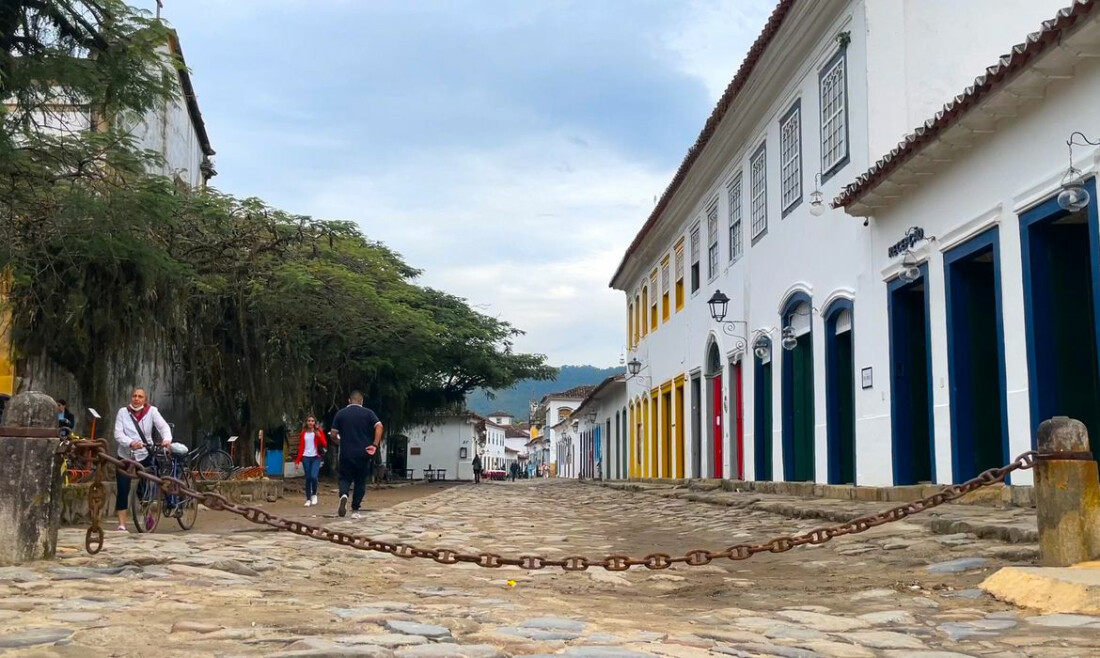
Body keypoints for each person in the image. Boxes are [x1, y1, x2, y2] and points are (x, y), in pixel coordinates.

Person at [112, 388, 172, 532]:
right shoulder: (122, 412)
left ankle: (147, 514)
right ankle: (122, 524)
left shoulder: (152, 411)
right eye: (134, 396)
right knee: (123, 488)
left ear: (145, 400)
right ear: (131, 398)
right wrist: (131, 442)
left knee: (144, 488)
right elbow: (118, 433)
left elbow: (163, 427)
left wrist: (166, 440)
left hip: (145, 454)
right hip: (126, 455)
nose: (137, 399)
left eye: (140, 397)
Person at [329, 391, 382, 519]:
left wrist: (339, 441)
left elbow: (333, 434)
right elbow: (379, 426)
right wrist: (374, 445)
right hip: (364, 452)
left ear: (349, 400)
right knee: (360, 481)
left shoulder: (341, 414)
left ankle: (343, 495)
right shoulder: (368, 413)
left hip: (346, 453)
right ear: (361, 401)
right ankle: (355, 509)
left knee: (345, 478)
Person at [294, 415, 327, 507]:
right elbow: (301, 448)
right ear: (306, 422)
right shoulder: (303, 433)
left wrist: (318, 435)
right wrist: (297, 461)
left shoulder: (318, 431)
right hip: (306, 457)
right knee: (308, 478)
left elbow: (324, 444)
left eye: (312, 421)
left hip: (316, 457)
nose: (310, 422)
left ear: (315, 423)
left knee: (313, 476)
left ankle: (314, 494)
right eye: (309, 421)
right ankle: (308, 499)